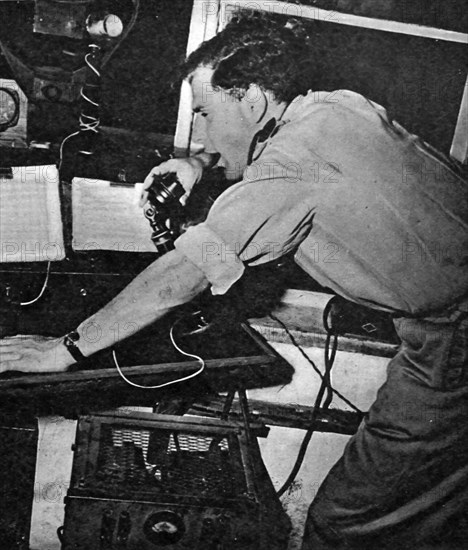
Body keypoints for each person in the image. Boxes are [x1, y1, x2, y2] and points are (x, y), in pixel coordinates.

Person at [1, 10, 467, 549]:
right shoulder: (340, 108)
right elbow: (298, 165)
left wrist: (63, 350)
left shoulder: (291, 163)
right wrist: (202, 161)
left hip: (452, 345)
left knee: (347, 525)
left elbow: (186, 274)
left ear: (250, 100)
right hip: (443, 330)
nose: (199, 127)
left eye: (203, 112)